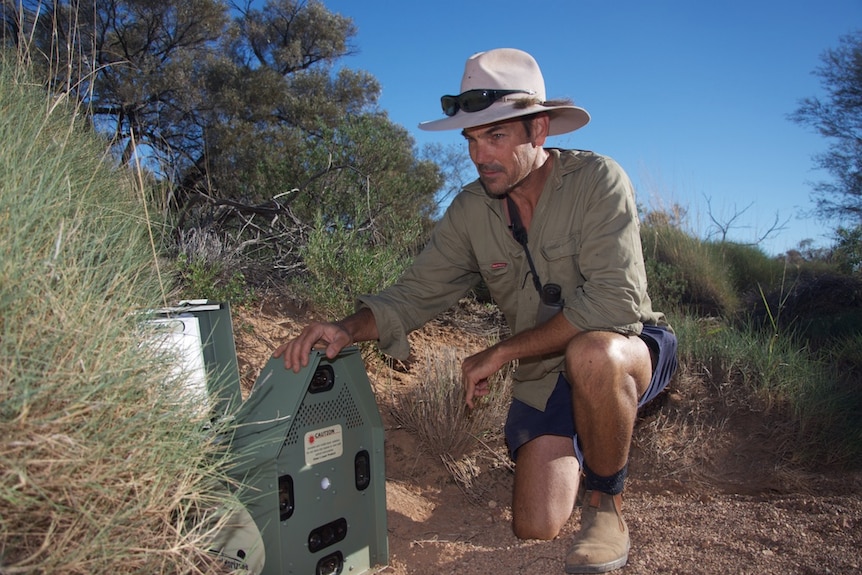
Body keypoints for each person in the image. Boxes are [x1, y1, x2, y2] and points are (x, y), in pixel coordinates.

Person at [274, 48, 678, 574]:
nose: (479, 154)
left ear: (537, 130)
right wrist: (347, 328)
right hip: (544, 373)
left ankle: (606, 504)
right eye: (471, 139)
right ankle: (587, 435)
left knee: (595, 354)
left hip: (626, 346)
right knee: (534, 524)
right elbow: (415, 293)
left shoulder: (598, 181)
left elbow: (613, 302)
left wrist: (502, 351)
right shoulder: (471, 209)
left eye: (495, 136)